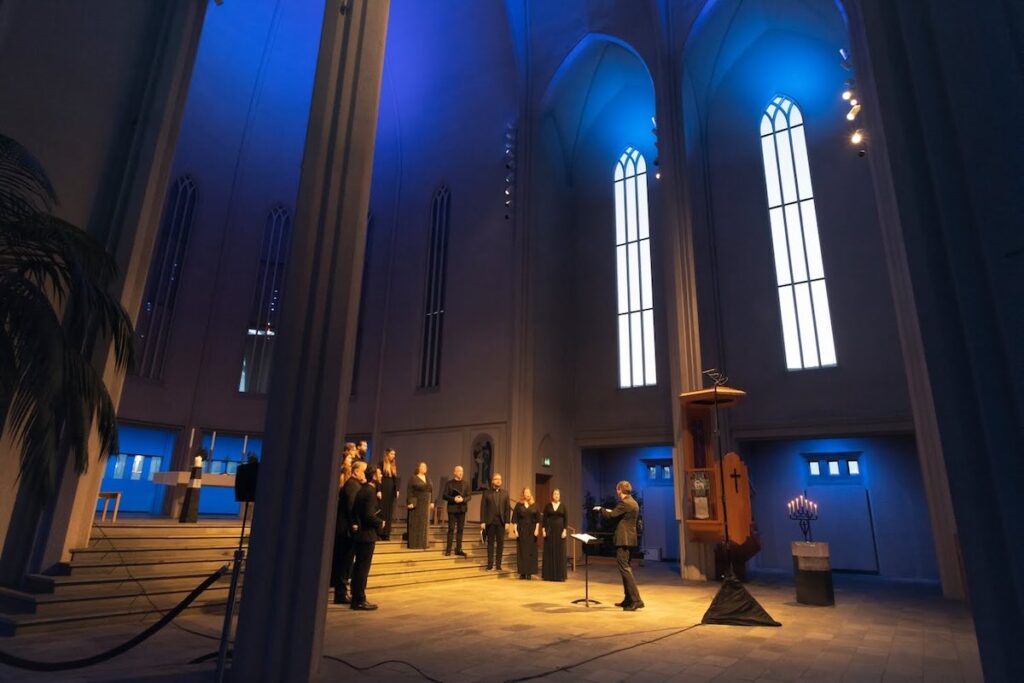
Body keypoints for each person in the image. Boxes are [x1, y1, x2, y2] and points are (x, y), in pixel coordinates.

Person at [594, 480, 643, 610]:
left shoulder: (624, 502)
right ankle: (628, 599)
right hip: (630, 539)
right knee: (625, 568)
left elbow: (611, 515)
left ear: (620, 490)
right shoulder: (633, 502)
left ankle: (636, 600)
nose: (616, 492)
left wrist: (601, 509)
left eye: (617, 489)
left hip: (623, 539)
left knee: (625, 569)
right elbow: (620, 515)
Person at [350, 465, 386, 611]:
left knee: (358, 567)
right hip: (367, 535)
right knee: (363, 569)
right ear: (374, 477)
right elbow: (369, 515)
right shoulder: (370, 492)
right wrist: (380, 522)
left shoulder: (362, 490)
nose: (381, 476)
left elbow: (355, 512)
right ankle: (360, 600)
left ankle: (355, 598)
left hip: (360, 535)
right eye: (379, 474)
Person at [332, 459, 366, 604]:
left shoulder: (355, 484)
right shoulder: (352, 485)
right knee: (344, 562)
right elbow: (352, 506)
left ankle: (342, 592)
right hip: (346, 530)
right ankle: (340, 593)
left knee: (346, 563)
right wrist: (354, 523)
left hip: (347, 528)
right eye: (363, 471)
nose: (364, 474)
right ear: (356, 471)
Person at [479, 473, 510, 571]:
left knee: (500, 544)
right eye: (496, 479)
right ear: (492, 481)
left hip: (501, 522)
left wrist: (507, 522)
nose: (498, 481)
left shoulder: (505, 493)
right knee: (490, 543)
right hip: (490, 522)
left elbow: (507, 509)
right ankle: (490, 564)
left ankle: (498, 564)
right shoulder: (486, 493)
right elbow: (483, 508)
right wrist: (482, 521)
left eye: (500, 479)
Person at [442, 465, 471, 556]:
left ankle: (459, 549)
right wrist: (453, 499)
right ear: (454, 472)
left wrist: (463, 499)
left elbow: (469, 496)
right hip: (452, 508)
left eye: (462, 471)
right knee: (451, 529)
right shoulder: (449, 483)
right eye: (459, 471)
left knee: (460, 530)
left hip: (462, 509)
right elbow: (444, 495)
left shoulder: (466, 483)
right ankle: (448, 549)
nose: (461, 473)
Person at [540, 488, 568, 582]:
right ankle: (549, 575)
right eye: (555, 494)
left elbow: (566, 519)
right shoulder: (548, 506)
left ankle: (560, 576)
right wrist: (543, 530)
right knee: (549, 552)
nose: (556, 495)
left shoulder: (563, 506)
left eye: (558, 494)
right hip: (550, 531)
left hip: (560, 532)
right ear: (552, 495)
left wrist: (564, 531)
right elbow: (544, 519)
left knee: (560, 552)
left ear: (559, 496)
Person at [513, 488, 540, 579]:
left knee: (531, 551)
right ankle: (522, 572)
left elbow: (538, 520)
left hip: (532, 531)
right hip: (522, 530)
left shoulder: (535, 505)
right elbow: (515, 519)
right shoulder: (519, 505)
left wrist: (537, 530)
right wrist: (515, 530)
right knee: (522, 551)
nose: (528, 494)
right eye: (526, 492)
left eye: (529, 492)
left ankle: (529, 572)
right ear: (523, 494)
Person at [406, 461, 433, 549]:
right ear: (418, 468)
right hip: (417, 503)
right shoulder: (413, 478)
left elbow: (430, 491)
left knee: (424, 523)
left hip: (426, 503)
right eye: (423, 466)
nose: (425, 468)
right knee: (416, 523)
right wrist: (410, 502)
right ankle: (415, 544)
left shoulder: (428, 478)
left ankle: (423, 543)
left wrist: (431, 502)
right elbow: (409, 491)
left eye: (426, 466)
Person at [377, 448, 399, 541]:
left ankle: (386, 533)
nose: (393, 456)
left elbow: (395, 480)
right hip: (383, 488)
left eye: (394, 454)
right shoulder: (381, 464)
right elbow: (378, 478)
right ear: (387, 454)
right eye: (392, 454)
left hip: (390, 490)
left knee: (389, 511)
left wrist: (396, 490)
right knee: (382, 510)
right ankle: (380, 533)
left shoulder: (393, 466)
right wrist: (378, 490)